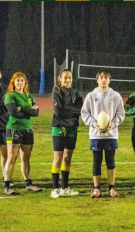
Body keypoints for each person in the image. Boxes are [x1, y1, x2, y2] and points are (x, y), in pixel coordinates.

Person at [81, 70, 125, 198]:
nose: (104, 80)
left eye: (106, 78)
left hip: (111, 135)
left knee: (110, 161)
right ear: (97, 80)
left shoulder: (115, 96)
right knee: (97, 161)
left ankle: (112, 188)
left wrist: (113, 123)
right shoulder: (91, 96)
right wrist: (93, 123)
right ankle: (96, 188)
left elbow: (120, 114)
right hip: (96, 135)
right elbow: (85, 113)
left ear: (109, 80)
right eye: (101, 78)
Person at [3, 72, 41, 195]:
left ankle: (28, 184)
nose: (20, 83)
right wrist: (28, 110)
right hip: (14, 128)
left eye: (22, 81)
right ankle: (7, 185)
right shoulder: (10, 96)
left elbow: (36, 113)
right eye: (17, 80)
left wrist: (22, 109)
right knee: (11, 157)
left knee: (26, 158)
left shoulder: (29, 97)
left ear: (25, 83)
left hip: (27, 129)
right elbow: (13, 112)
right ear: (13, 83)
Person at [50, 69, 83, 198]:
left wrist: (67, 110)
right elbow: (58, 111)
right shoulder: (56, 92)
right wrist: (72, 111)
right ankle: (54, 188)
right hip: (59, 127)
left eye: (70, 77)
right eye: (65, 78)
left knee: (67, 158)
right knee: (58, 158)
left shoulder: (76, 93)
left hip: (72, 128)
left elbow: (80, 110)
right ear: (60, 78)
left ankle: (64, 187)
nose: (68, 80)